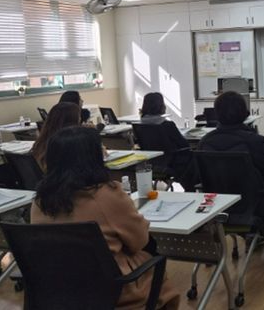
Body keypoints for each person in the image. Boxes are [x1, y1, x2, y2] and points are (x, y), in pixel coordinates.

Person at [31, 126, 180, 309]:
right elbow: (140, 241)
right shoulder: (107, 195)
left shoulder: (39, 201)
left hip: (59, 290)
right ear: (93, 157)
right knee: (152, 260)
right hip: (112, 291)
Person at [197, 91, 264, 242]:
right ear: (245, 113)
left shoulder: (204, 142)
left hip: (218, 206)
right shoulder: (253, 140)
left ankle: (252, 235)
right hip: (254, 205)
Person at [30, 102, 81, 171]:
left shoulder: (41, 142)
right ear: (71, 122)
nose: (80, 119)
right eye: (79, 116)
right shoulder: (68, 144)